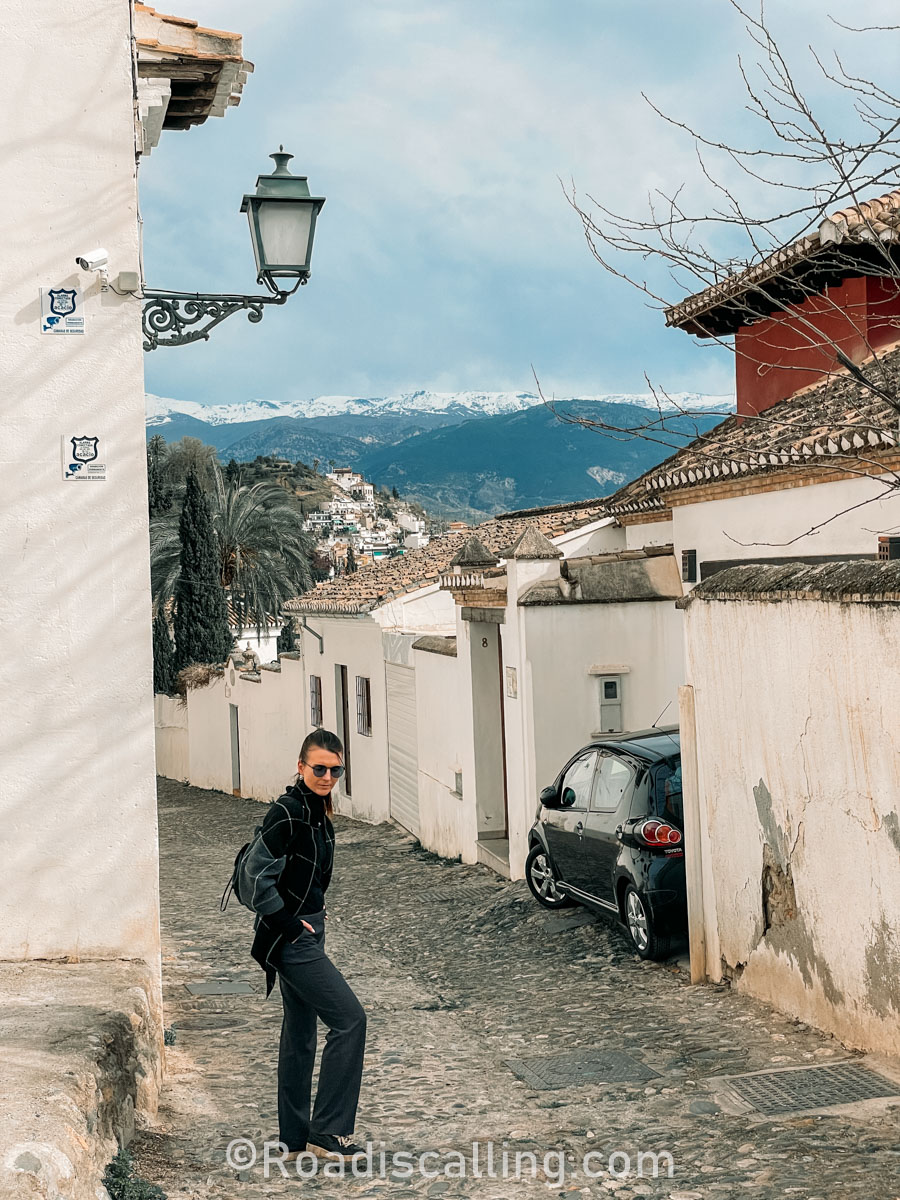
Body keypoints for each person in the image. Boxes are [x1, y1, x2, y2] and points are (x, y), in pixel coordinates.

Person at [238, 728, 367, 1162]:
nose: (328, 775)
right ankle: (327, 1132)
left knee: (300, 1035)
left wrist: (314, 912)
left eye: (336, 769)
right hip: (291, 940)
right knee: (350, 1019)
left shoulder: (318, 811)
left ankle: (293, 1140)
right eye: (319, 768)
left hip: (306, 929)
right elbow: (257, 879)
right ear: (301, 767)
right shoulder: (288, 812)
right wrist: (292, 926)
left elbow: (305, 876)